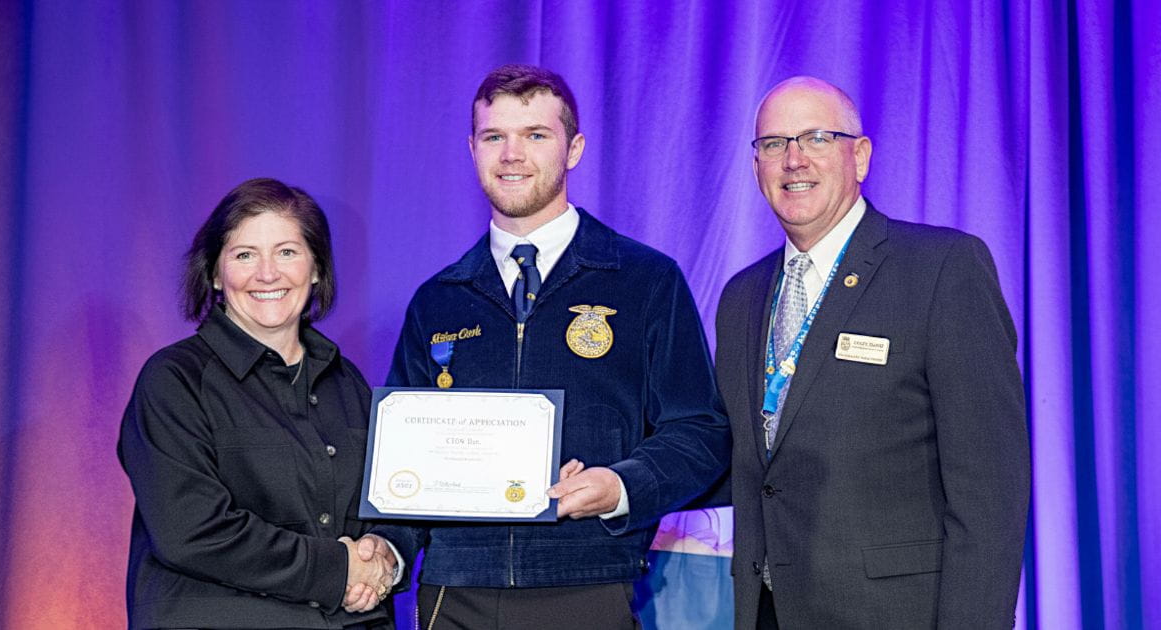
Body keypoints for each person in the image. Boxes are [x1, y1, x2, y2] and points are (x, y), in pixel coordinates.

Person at [371, 64, 731, 630]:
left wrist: (620, 486)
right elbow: (403, 463)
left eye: (535, 135)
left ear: (574, 148)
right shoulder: (437, 300)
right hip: (455, 589)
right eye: (495, 137)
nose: (512, 154)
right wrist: (386, 550)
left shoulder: (644, 280)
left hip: (587, 580)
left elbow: (700, 431)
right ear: (472, 149)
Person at [716, 77, 1031, 629]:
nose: (793, 160)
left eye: (816, 138)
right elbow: (743, 458)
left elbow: (990, 496)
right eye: (774, 144)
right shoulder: (741, 296)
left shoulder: (942, 269)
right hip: (768, 613)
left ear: (858, 156)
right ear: (755, 166)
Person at [118, 178, 397, 629]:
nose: (267, 273)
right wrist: (337, 570)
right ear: (214, 273)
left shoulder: (348, 385)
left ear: (317, 269)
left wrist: (383, 557)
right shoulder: (174, 380)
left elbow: (381, 512)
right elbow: (192, 532)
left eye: (287, 252)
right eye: (244, 255)